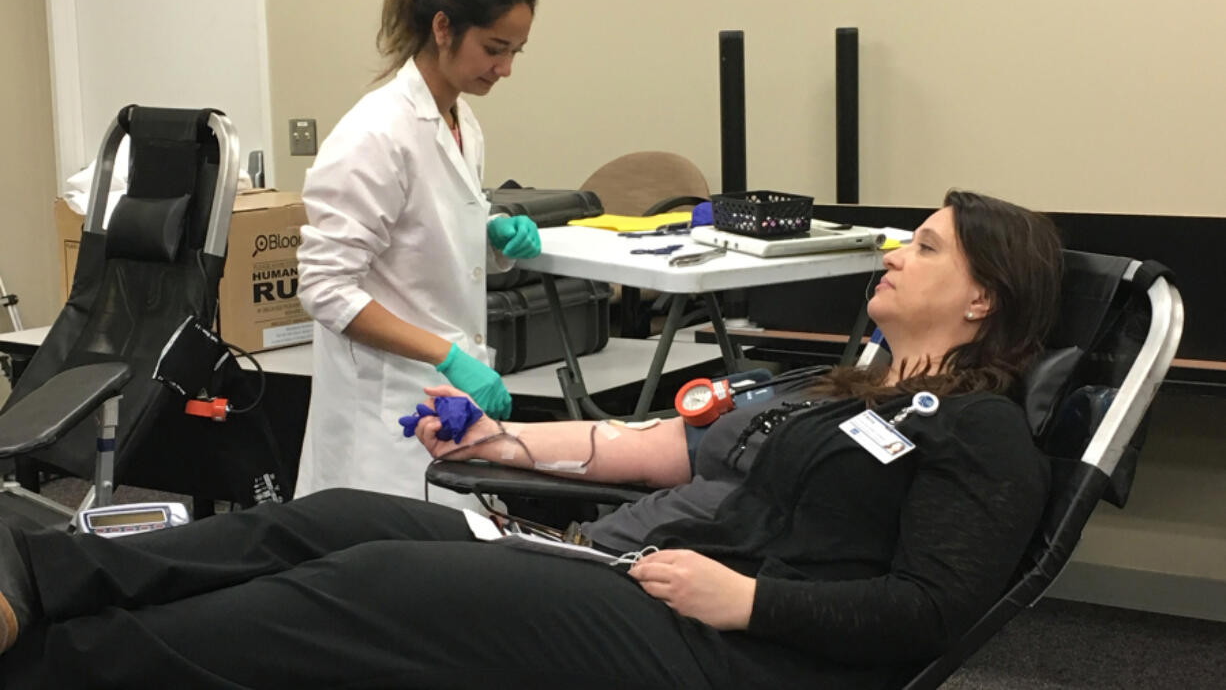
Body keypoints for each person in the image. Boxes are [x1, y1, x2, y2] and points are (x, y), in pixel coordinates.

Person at [0, 191, 1063, 689]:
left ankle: (57, 666)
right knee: (333, 519)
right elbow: (665, 448)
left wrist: (746, 599)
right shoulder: (838, 389)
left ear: (982, 300)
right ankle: (39, 579)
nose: (894, 253)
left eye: (923, 248)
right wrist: (511, 446)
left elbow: (929, 609)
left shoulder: (979, 432)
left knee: (382, 581)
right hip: (643, 578)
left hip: (744, 651)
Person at [293, 0, 541, 503]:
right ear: (443, 27)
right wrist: (446, 355)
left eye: (516, 53)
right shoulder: (374, 135)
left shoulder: (460, 118)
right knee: (385, 568)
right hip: (385, 415)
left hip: (440, 400)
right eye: (494, 48)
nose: (504, 69)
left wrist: (488, 230)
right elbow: (325, 288)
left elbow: (417, 229)